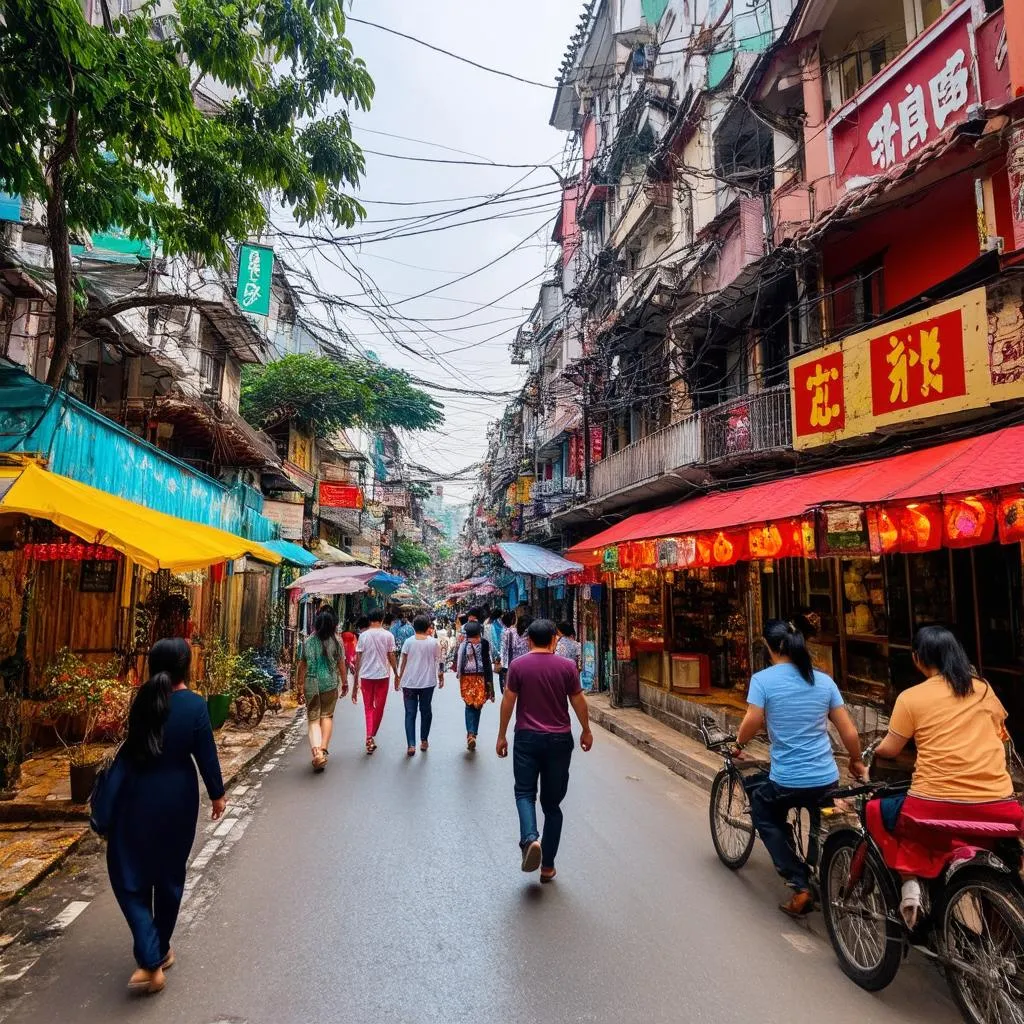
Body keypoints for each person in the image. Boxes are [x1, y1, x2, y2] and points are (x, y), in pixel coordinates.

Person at [867, 625, 1023, 927]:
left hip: (934, 807)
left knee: (876, 809)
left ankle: (909, 881)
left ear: (918, 659)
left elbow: (890, 748)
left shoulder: (911, 698)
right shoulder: (983, 689)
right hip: (999, 808)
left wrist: (874, 749)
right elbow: (1001, 739)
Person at [107, 638, 226, 995]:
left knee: (130, 875)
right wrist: (217, 794)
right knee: (170, 878)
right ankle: (156, 954)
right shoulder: (195, 705)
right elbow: (206, 754)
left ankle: (152, 956)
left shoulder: (142, 701)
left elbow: (132, 748)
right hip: (178, 799)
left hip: (136, 797)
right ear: (186, 668)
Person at [736, 619, 866, 918]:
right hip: (826, 777)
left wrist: (739, 744)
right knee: (821, 809)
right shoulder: (823, 680)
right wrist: (856, 760)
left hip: (787, 780)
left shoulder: (763, 681)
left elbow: (753, 720)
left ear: (771, 647)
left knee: (763, 809)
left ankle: (799, 883)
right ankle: (820, 863)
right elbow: (848, 730)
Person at [496, 619, 593, 882]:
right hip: (559, 741)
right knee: (552, 805)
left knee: (525, 793)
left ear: (528, 641)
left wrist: (502, 735)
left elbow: (508, 701)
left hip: (527, 738)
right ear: (554, 641)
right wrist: (586, 729)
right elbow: (577, 701)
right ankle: (547, 865)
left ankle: (530, 839)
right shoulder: (567, 667)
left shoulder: (518, 666)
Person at [295, 608, 346, 772]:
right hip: (330, 683)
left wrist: (299, 686)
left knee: (313, 719)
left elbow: (302, 666)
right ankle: (323, 750)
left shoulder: (308, 642)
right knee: (327, 716)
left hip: (311, 683)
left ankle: (316, 752)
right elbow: (341, 665)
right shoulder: (337, 642)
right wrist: (345, 683)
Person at [396, 614, 445, 755]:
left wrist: (398, 677)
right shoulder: (434, 642)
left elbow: (403, 662)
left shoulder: (408, 642)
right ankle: (424, 740)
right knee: (426, 711)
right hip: (428, 683)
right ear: (427, 627)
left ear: (413, 627)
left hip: (409, 683)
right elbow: (440, 660)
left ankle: (411, 745)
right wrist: (441, 676)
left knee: (410, 713)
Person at [352, 608, 397, 755]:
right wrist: (396, 674)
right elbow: (391, 656)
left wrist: (355, 681)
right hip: (383, 676)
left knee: (368, 708)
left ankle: (370, 736)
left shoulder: (363, 636)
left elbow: (358, 659)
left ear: (370, 619)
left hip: (366, 676)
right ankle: (370, 736)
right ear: (382, 619)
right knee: (379, 708)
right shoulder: (388, 635)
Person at [455, 621, 494, 751]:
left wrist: (460, 677)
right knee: (478, 705)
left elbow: (459, 660)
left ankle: (471, 734)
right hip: (481, 678)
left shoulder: (463, 645)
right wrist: (490, 685)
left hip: (466, 678)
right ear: (479, 633)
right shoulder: (484, 643)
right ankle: (473, 734)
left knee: (469, 705)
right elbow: (487, 663)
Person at [494, 610, 517, 693]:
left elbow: (502, 648)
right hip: (512, 662)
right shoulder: (514, 632)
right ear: (513, 620)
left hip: (506, 663)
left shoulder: (504, 631)